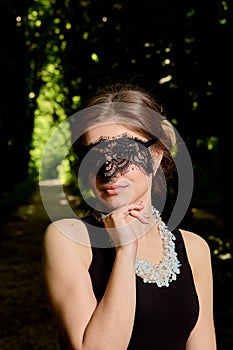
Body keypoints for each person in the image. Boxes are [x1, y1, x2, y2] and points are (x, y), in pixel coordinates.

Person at [42, 83, 217, 350]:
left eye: (124, 152)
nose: (108, 171)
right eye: (93, 155)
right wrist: (125, 250)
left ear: (156, 155)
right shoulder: (69, 239)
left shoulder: (194, 249)